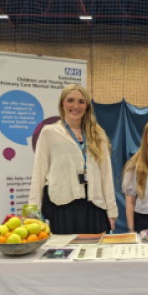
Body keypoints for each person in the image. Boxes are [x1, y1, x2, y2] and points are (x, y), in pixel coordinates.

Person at [28, 84, 118, 234]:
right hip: (62, 205)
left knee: (94, 253)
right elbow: (39, 173)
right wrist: (33, 212)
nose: (76, 106)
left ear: (87, 106)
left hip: (94, 205)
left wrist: (112, 211)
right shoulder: (49, 133)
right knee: (65, 253)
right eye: (70, 100)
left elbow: (106, 175)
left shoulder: (98, 134)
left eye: (81, 102)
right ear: (62, 103)